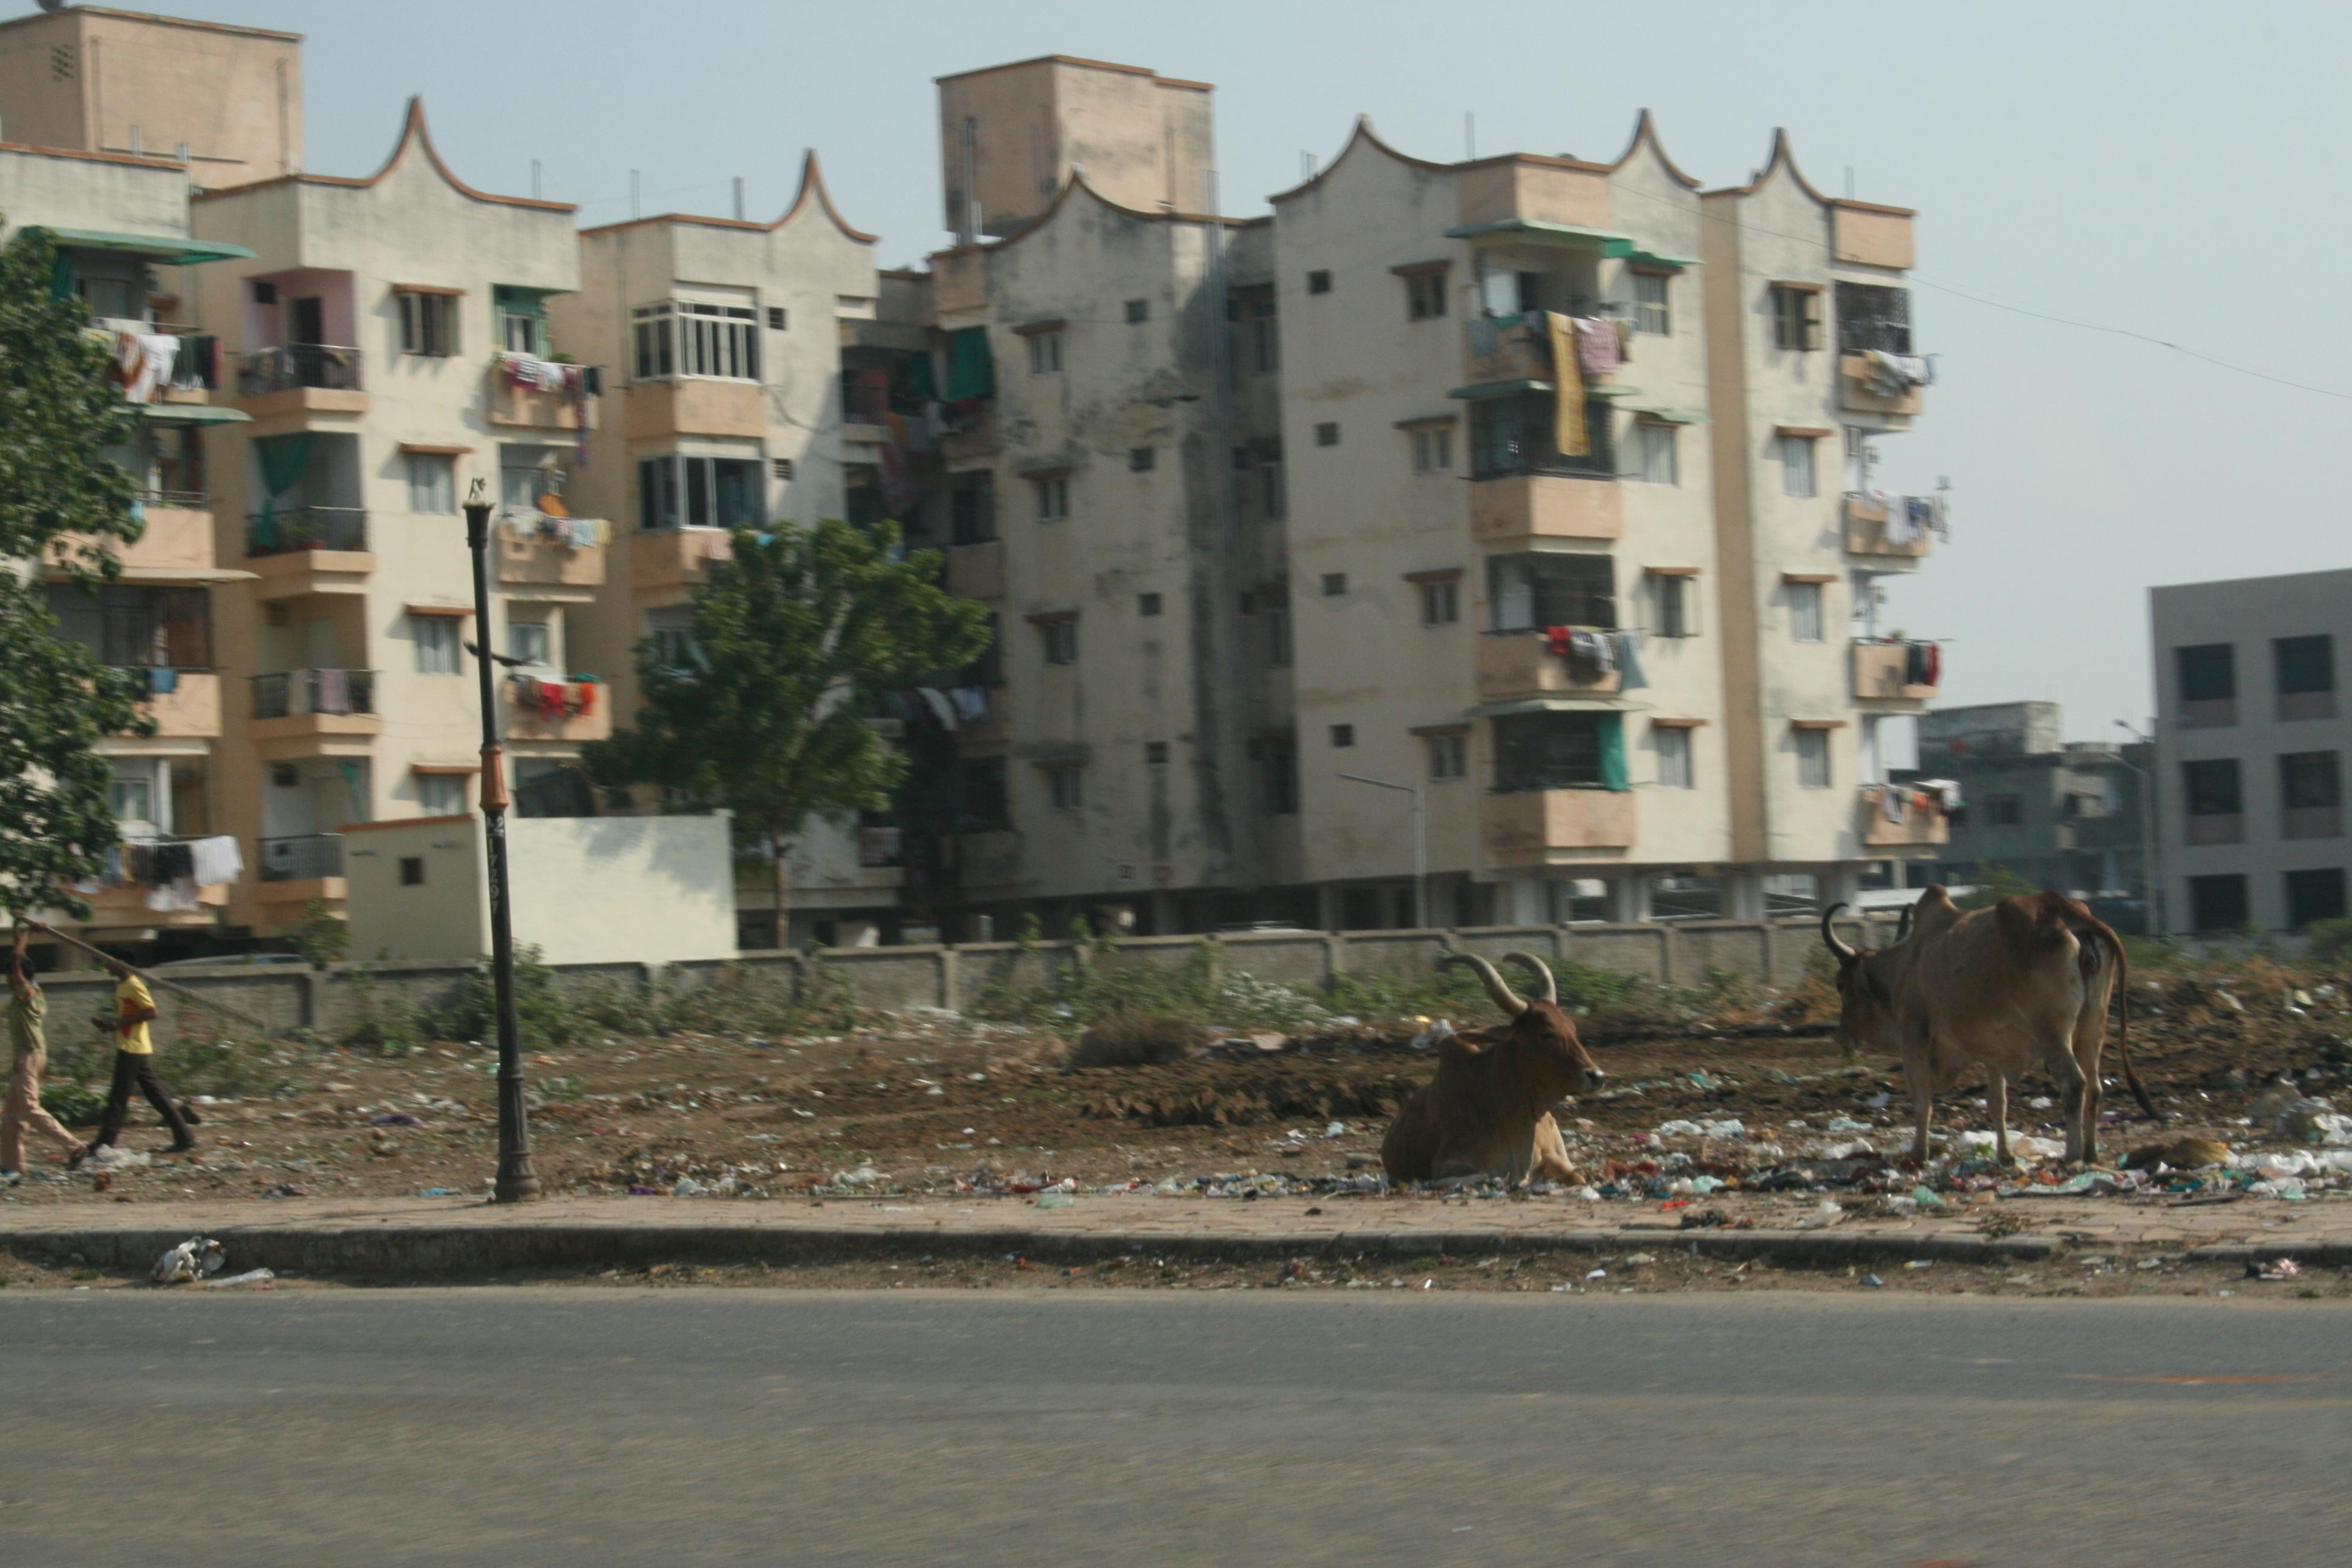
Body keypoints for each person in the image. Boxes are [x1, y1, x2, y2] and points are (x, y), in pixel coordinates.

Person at [88, 950, 195, 1157]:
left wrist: (117, 1023)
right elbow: (130, 1016)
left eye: (112, 961)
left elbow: (151, 1012)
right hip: (130, 1045)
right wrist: (110, 1025)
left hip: (133, 1048)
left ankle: (104, 1144)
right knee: (156, 1096)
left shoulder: (134, 985)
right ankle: (185, 1137)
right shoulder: (122, 986)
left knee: (118, 1098)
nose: (107, 965)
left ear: (123, 965)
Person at [4, 925, 87, 1177]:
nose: (7, 978)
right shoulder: (28, 996)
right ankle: (12, 1166)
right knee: (11, 1115)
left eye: (9, 974)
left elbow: (18, 970)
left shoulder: (26, 993)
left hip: (29, 1056)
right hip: (28, 1057)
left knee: (29, 1108)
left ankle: (74, 1146)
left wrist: (20, 942)